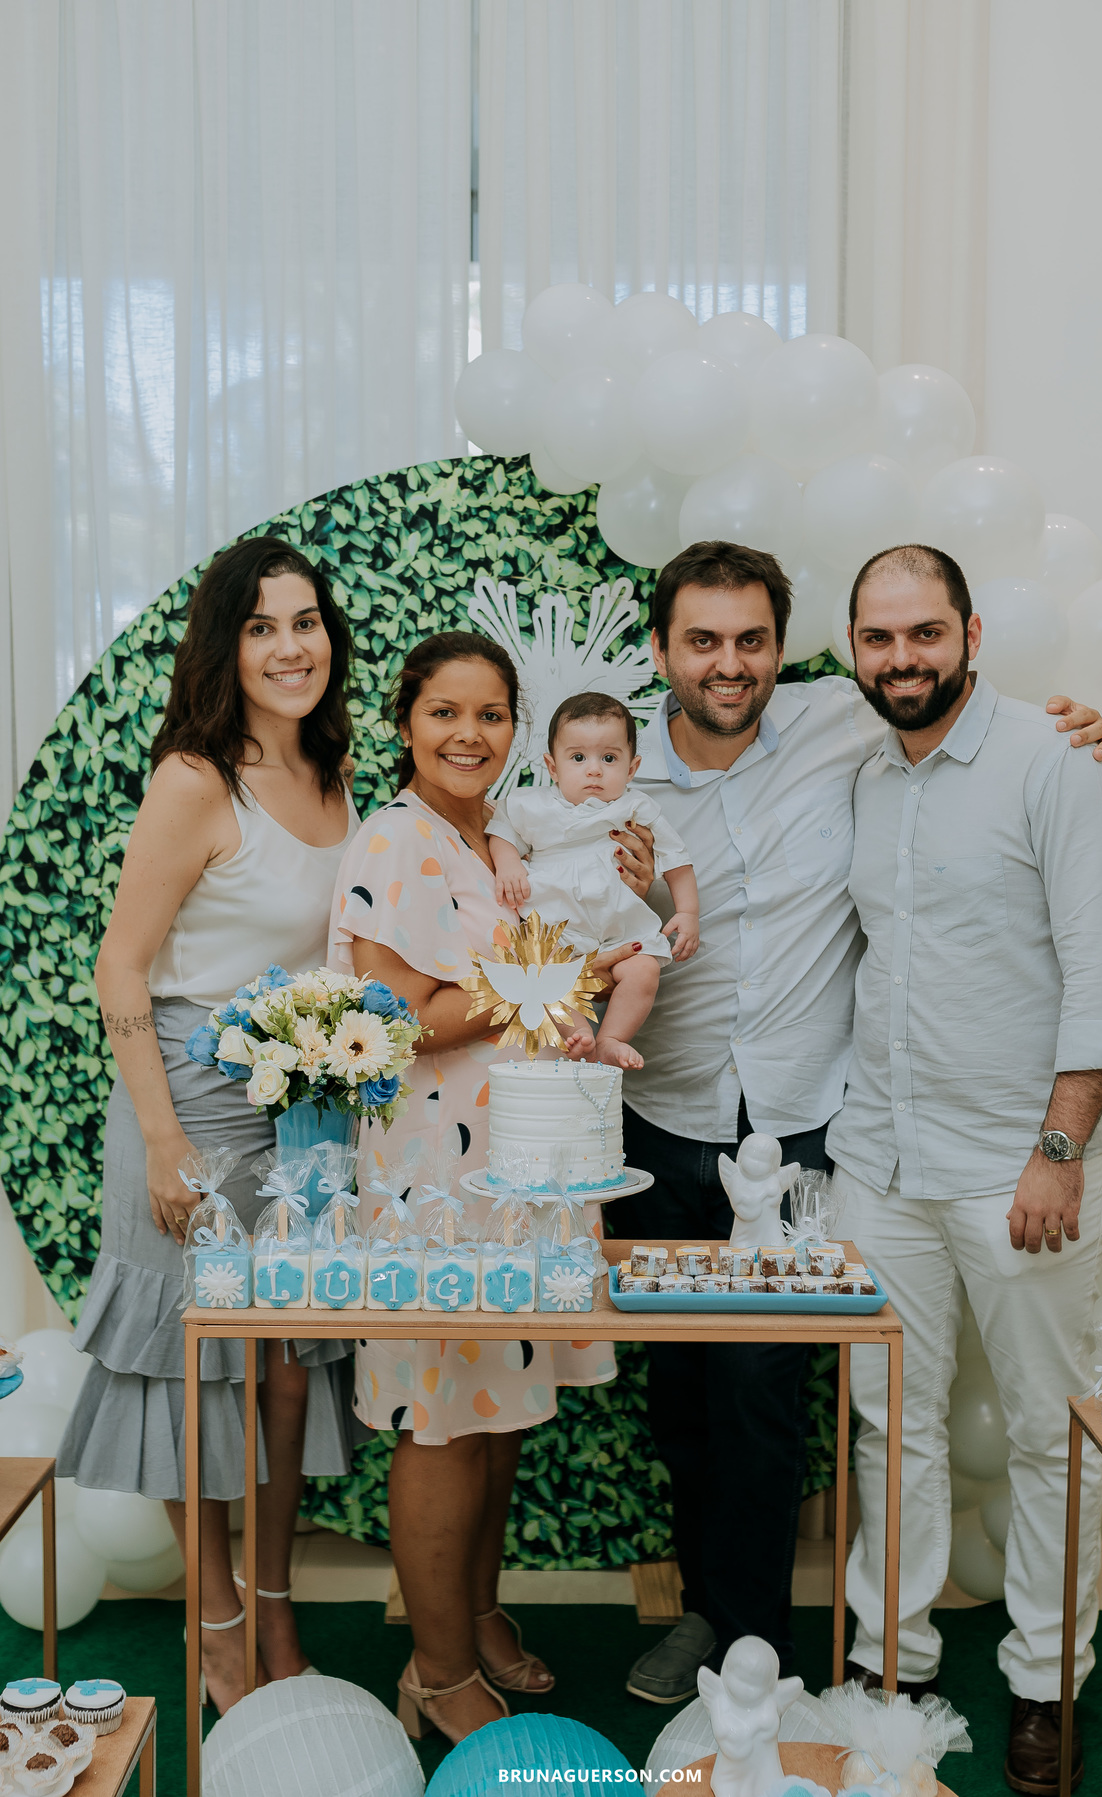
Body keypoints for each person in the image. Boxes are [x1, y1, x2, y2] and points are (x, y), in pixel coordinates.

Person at [606, 539, 1102, 1706]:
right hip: (664, 1120)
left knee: (768, 1400)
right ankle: (739, 1624)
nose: (728, 664)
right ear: (662, 652)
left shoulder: (849, 724)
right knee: (688, 1406)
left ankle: (762, 1648)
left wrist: (1084, 733)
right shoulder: (616, 769)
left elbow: (999, 774)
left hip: (800, 1131)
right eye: (703, 641)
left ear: (783, 651)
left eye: (750, 641)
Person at [825, 544, 1102, 1796]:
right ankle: (889, 1663)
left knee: (1044, 1434)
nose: (902, 659)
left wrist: (1058, 1150)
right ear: (853, 650)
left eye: (923, 635)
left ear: (968, 630)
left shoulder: (1059, 763)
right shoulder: (863, 771)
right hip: (882, 1163)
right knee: (884, 1425)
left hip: (1024, 1166)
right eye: (878, 639)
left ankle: (1044, 1684)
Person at [57, 536, 360, 1714]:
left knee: (289, 1368)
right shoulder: (196, 777)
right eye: (264, 626)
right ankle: (217, 1618)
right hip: (188, 1098)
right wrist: (164, 1137)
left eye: (307, 622)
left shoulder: (336, 773)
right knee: (198, 1370)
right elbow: (120, 966)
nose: (292, 647)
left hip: (306, 1111)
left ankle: (279, 1606)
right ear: (226, 646)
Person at [327, 631, 638, 1745]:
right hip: (434, 1182)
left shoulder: (497, 837)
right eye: (445, 713)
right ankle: (438, 1665)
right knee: (442, 1421)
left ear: (518, 726)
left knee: (499, 1413)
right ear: (406, 722)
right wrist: (555, 979)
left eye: (492, 714)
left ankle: (476, 1610)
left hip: (518, 1168)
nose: (469, 734)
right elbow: (401, 1018)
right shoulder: (399, 840)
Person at [486, 690, 700, 1069]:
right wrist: (509, 864)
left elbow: (676, 859)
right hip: (557, 929)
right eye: (578, 758)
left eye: (609, 758)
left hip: (619, 928)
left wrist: (688, 911)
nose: (594, 770)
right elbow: (502, 833)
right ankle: (578, 1035)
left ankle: (611, 1038)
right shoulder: (530, 805)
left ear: (631, 769)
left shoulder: (636, 807)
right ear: (553, 768)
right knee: (544, 972)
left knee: (644, 968)